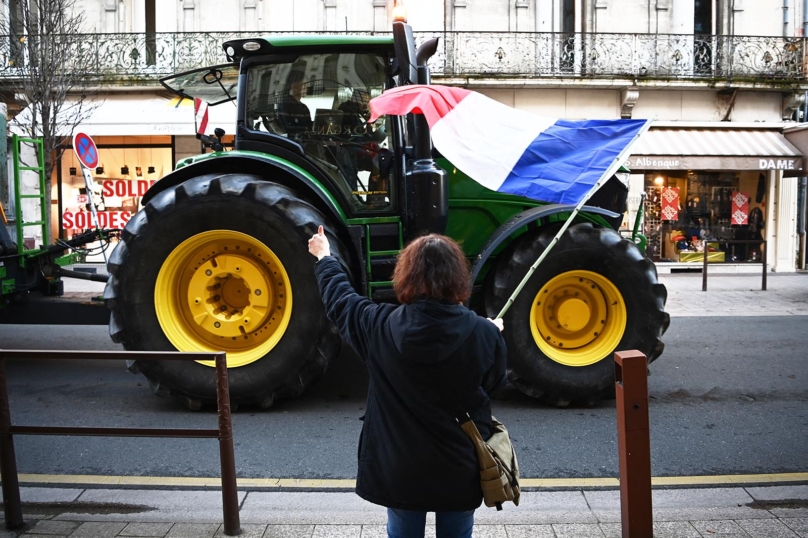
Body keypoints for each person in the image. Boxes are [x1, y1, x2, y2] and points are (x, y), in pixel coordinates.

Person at [308, 227, 508, 538]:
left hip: (399, 465)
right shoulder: (484, 334)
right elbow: (493, 384)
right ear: (458, 277)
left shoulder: (377, 324)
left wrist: (325, 257)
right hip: (459, 464)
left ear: (406, 275)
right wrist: (490, 332)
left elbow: (340, 299)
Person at [277, 69, 312, 136]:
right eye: (304, 85)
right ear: (294, 85)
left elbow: (309, 126)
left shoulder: (304, 107)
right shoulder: (286, 104)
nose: (307, 88)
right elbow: (289, 128)